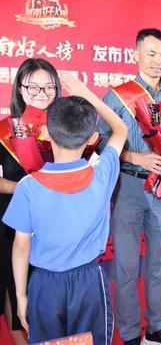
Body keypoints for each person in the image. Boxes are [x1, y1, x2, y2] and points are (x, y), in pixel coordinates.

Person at [3, 73, 128, 344]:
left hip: (44, 286)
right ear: (93, 137)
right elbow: (120, 129)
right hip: (89, 282)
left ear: (46, 132)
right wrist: (86, 93)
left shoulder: (28, 187)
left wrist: (21, 296)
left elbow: (21, 246)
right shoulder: (102, 173)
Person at [99, 28, 161, 345]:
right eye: (150, 54)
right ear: (136, 54)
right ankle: (129, 333)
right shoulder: (116, 96)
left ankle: (157, 327)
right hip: (128, 187)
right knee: (126, 264)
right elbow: (100, 143)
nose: (157, 61)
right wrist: (135, 157)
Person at [0, 58, 61, 345]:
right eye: (33, 87)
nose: (41, 93)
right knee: (17, 292)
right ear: (19, 89)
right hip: (12, 227)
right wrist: (28, 189)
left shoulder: (66, 130)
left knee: (54, 301)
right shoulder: (3, 131)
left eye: (48, 86)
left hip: (56, 228)